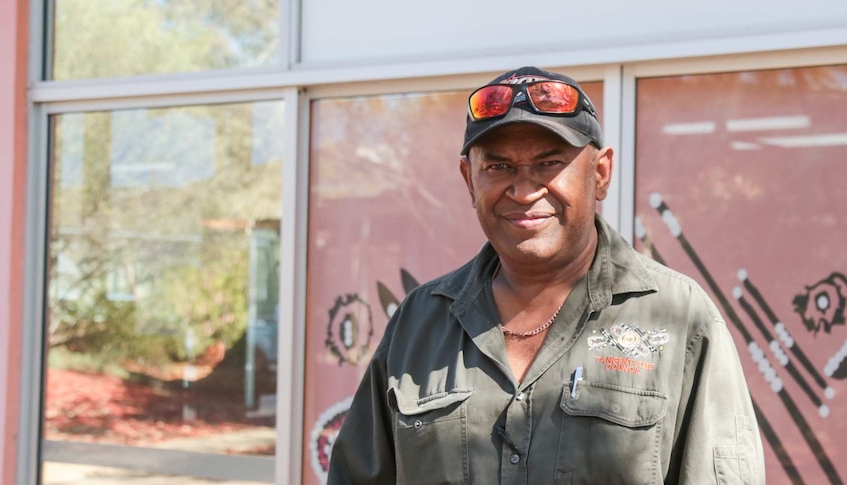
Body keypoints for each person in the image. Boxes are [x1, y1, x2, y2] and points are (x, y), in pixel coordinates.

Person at [327, 66, 765, 484]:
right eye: (498, 167)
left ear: (600, 174)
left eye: (550, 163)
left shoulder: (679, 318)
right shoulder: (418, 323)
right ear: (469, 180)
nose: (523, 190)